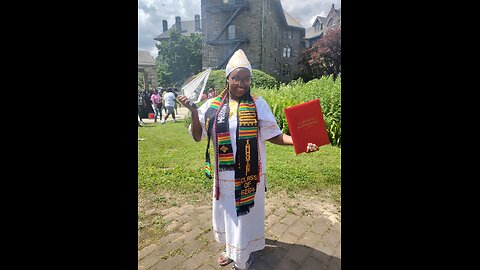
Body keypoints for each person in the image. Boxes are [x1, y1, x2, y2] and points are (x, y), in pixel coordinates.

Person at [177, 49, 319, 270]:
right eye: (237, 78)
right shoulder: (213, 106)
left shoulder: (258, 104)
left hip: (249, 174)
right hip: (223, 174)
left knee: (244, 216)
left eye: (246, 79)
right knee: (229, 214)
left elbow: (274, 135)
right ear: (228, 78)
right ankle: (231, 249)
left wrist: (300, 143)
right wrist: (194, 112)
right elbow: (197, 136)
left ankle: (243, 254)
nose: (242, 83)